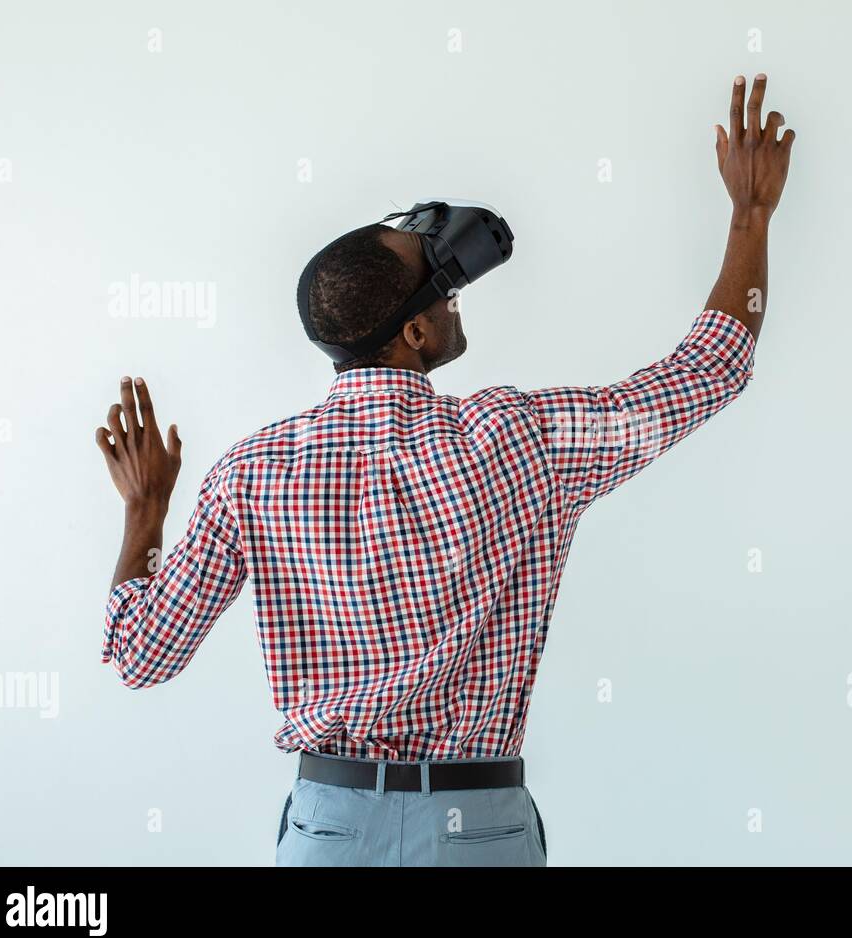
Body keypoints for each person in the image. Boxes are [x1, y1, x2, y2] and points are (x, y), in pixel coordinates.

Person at [93, 74, 794, 866]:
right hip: (479, 829)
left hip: (332, 832)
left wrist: (145, 513)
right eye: (447, 292)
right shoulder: (516, 438)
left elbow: (141, 656)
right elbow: (715, 367)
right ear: (418, 334)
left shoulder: (251, 473)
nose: (458, 299)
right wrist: (751, 213)